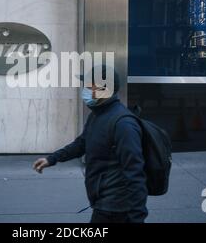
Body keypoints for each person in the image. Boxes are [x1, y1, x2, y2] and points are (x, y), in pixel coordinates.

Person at [33, 66, 148, 223]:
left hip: (117, 209)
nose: (84, 90)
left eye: (88, 86)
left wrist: (137, 218)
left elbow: (135, 173)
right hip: (102, 202)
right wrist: (52, 159)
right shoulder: (98, 114)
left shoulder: (123, 124)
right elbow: (81, 143)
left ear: (102, 89)